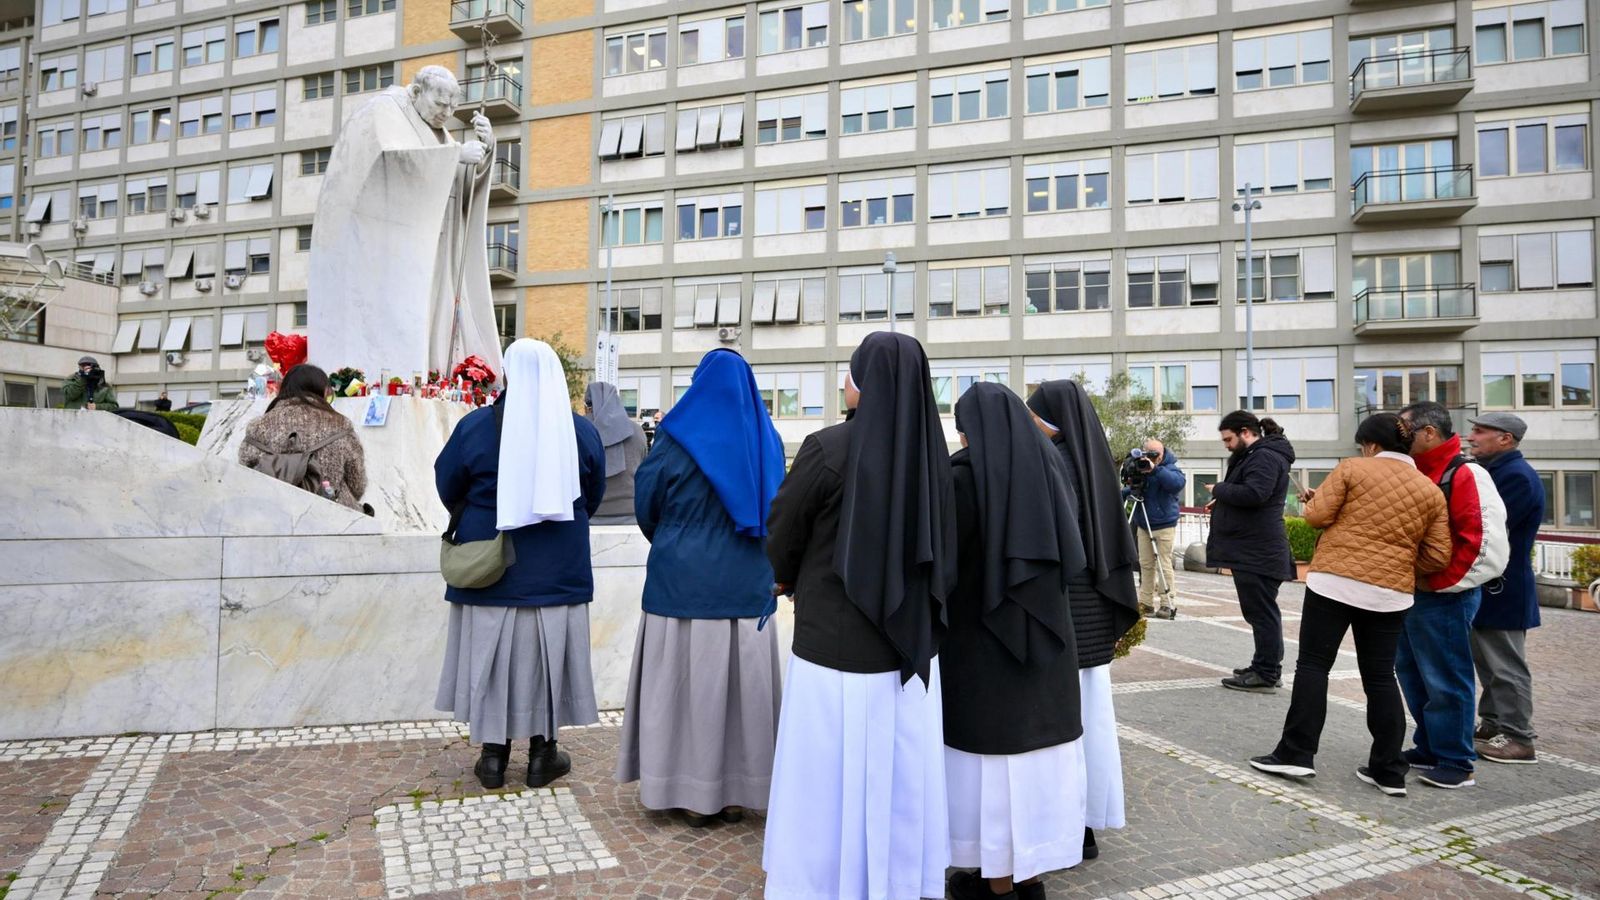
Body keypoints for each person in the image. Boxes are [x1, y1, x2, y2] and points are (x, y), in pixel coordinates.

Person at [763, 331, 956, 900]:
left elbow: (782, 536)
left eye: (849, 373)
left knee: (825, 777)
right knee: (901, 777)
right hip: (911, 653)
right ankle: (896, 881)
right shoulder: (937, 460)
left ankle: (821, 882)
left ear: (864, 384)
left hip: (834, 651)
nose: (844, 383)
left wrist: (786, 578)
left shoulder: (826, 449)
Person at [615, 349, 785, 827]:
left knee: (682, 691)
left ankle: (685, 791)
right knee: (738, 696)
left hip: (681, 582)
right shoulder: (765, 437)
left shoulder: (676, 436)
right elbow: (782, 507)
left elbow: (646, 500)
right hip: (747, 582)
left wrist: (675, 539)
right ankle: (736, 793)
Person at [434, 339, 607, 791]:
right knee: (547, 668)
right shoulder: (580, 432)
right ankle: (542, 755)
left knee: (493, 663)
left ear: (507, 374)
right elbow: (593, 494)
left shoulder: (474, 427)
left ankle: (492, 757)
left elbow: (447, 482)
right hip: (557, 572)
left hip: (490, 566)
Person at [1248, 414, 1452, 797]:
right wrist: (1397, 566)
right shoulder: (1429, 490)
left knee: (1313, 666)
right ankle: (1389, 770)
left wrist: (1316, 504)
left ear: (1371, 446)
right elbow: (1439, 555)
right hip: (1390, 594)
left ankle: (1297, 753)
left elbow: (1317, 517)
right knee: (1380, 677)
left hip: (1334, 583)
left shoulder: (1352, 468)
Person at [944, 383, 1088, 900]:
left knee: (988, 771)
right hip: (1049, 642)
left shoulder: (960, 479)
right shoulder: (1051, 470)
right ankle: (1027, 876)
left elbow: (945, 567)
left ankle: (995, 883)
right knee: (1032, 765)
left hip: (979, 649)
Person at [1025, 379, 1139, 863]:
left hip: (1069, 617)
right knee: (1091, 722)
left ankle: (1068, 826)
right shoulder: (1093, 465)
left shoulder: (1052, 463)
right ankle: (1087, 823)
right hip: (1094, 618)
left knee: (1061, 726)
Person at [1395, 401, 1509, 790]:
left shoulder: (1465, 474)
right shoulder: (1417, 471)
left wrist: (1439, 584)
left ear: (1428, 433)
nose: (1399, 437)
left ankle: (1457, 761)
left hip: (1443, 594)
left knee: (1446, 677)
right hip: (1414, 592)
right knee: (1412, 674)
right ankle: (1430, 746)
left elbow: (1482, 542)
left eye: (1405, 430)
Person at [1466, 412, 1542, 765]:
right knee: (1488, 660)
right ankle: (1493, 724)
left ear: (1505, 439)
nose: (1472, 436)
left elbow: (1491, 528)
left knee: (1506, 663)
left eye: (1480, 432)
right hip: (1493, 583)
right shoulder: (1497, 472)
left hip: (1505, 586)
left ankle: (1517, 737)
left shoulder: (1515, 477)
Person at [1206, 411, 1296, 693]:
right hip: (1254, 549)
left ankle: (1267, 672)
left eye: (1229, 439)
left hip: (1258, 551)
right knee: (1259, 613)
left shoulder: (1264, 456)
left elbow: (1256, 494)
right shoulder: (1257, 455)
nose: (1227, 445)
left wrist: (1220, 490)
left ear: (1246, 432)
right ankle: (1263, 665)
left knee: (1262, 614)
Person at [238, 364, 368, 510]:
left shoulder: (257, 426)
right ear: (324, 391)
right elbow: (357, 485)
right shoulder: (341, 424)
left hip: (271, 514)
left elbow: (245, 475)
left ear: (284, 389)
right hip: (333, 518)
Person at [1121, 438, 1185, 620]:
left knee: (1163, 564)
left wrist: (1155, 470)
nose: (1152, 458)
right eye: (1148, 453)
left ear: (1162, 453)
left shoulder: (1170, 468)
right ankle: (1146, 602)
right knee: (1145, 564)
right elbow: (1133, 489)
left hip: (1164, 524)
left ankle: (1167, 603)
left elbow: (1176, 484)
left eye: (1155, 454)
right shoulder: (1140, 466)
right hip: (1144, 522)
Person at [585, 381, 648, 525]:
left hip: (590, 514)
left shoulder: (580, 430)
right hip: (632, 513)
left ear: (589, 406)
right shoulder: (636, 431)